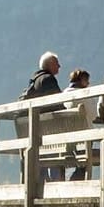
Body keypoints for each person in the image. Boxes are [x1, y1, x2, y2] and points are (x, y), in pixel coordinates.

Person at [19, 52, 63, 182]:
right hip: (48, 133)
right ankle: (56, 182)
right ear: (49, 65)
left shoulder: (34, 82)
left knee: (41, 150)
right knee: (54, 148)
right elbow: (58, 103)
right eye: (56, 63)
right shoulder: (48, 79)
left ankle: (39, 182)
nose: (59, 66)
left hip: (35, 133)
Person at [64, 69, 93, 180]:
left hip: (68, 139)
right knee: (84, 163)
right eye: (87, 80)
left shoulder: (64, 94)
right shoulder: (83, 94)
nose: (88, 83)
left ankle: (70, 181)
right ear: (81, 80)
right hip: (84, 137)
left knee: (79, 162)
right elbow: (94, 114)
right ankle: (76, 181)